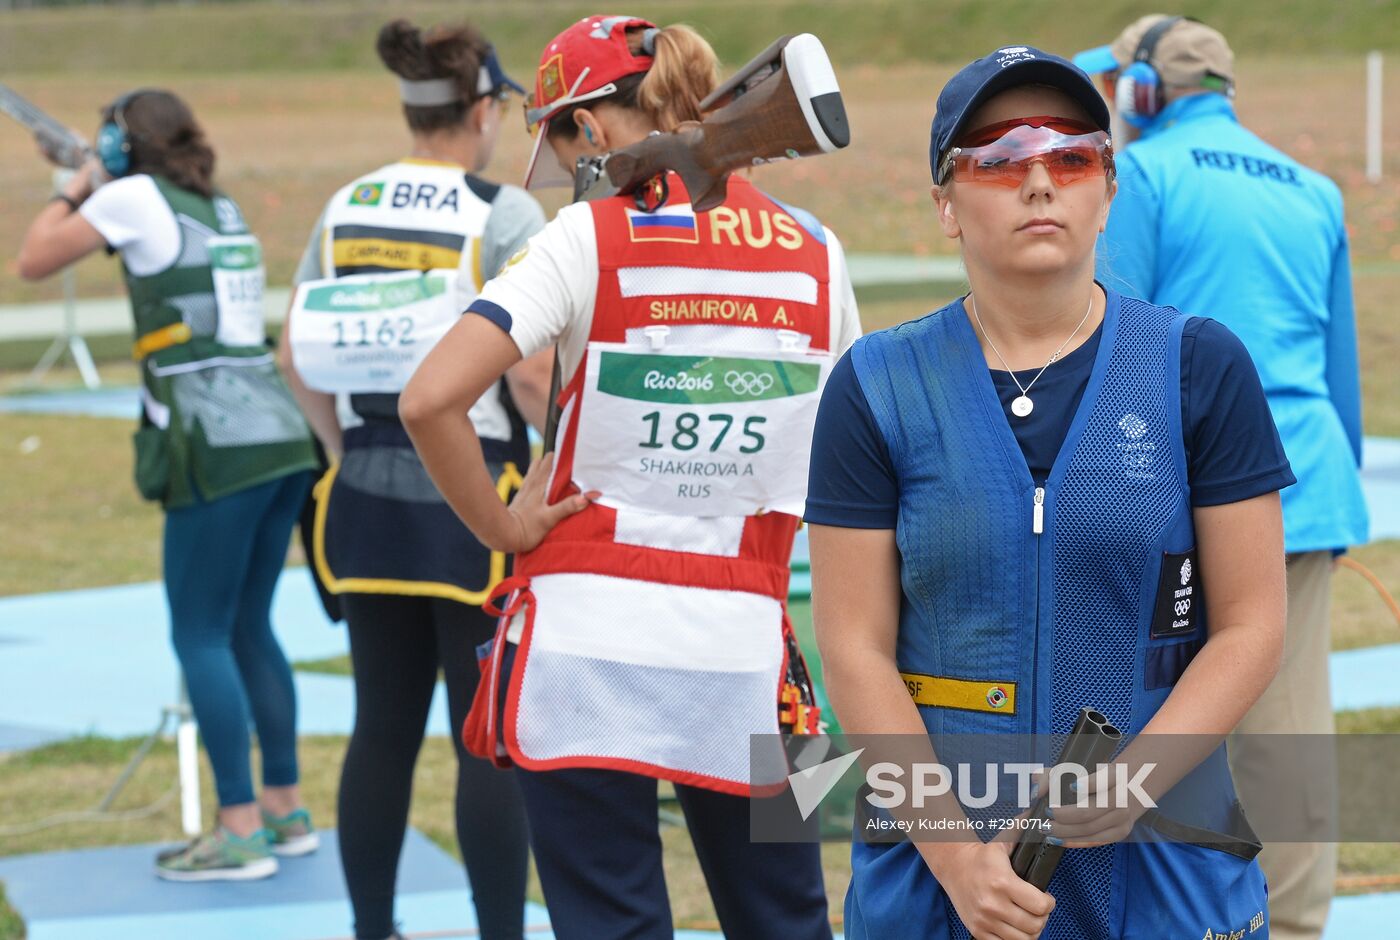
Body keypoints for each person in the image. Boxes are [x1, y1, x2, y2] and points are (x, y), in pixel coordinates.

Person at [806, 45, 1295, 938]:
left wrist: (1141, 776)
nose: (1040, 181)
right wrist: (958, 864)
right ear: (946, 205)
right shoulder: (875, 385)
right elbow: (854, 648)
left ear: (1107, 190)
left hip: (1159, 870)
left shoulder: (1198, 365)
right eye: (997, 157)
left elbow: (1254, 622)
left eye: (1071, 155)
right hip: (939, 876)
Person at [399, 14, 861, 938]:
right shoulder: (817, 249)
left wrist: (503, 527)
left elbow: (428, 401)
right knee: (790, 920)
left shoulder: (582, 239)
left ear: (595, 127)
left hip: (581, 649)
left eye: (563, 134)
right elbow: (849, 448)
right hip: (748, 650)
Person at [1074, 17, 1368, 939]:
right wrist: (1330, 490)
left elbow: (1117, 337)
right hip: (1308, 485)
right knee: (1289, 732)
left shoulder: (1149, 176)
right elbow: (1341, 367)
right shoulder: (1313, 188)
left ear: (1147, 95)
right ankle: (1295, 923)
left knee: (1152, 720)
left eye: (1125, 86)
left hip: (1180, 489)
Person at [277, 19, 548, 940]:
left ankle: (372, 930)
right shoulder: (502, 212)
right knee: (487, 736)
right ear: (481, 110)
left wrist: (343, 453)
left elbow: (295, 352)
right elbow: (529, 371)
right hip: (478, 502)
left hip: (363, 501)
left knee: (380, 728)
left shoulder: (346, 205)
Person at [18, 89, 319, 881]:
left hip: (214, 441)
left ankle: (238, 828)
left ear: (122, 146)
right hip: (279, 433)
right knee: (250, 627)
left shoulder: (128, 196)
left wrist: (73, 182)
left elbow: (34, 258)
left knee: (200, 634)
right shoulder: (213, 205)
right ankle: (285, 812)